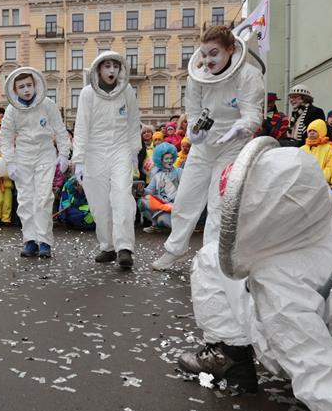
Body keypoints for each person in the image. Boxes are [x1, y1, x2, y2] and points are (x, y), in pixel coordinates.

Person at [180, 142, 332, 411]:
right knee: (215, 258)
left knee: (208, 261)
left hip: (324, 351)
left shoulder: (277, 280)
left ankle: (228, 356)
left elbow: (316, 358)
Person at [152, 26, 264, 270]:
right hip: (204, 147)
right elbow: (193, 111)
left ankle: (210, 260)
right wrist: (195, 131)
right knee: (185, 199)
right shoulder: (198, 75)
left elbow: (254, 114)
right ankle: (175, 249)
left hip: (233, 146)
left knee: (218, 204)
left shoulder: (248, 75)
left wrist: (241, 127)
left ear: (230, 49)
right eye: (203, 54)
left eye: (214, 53)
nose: (207, 60)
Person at [72, 51, 142, 269]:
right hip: (94, 152)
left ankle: (125, 248)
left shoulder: (127, 91)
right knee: (99, 203)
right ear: (98, 70)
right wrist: (80, 159)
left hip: (120, 149)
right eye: (107, 66)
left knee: (122, 195)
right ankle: (108, 246)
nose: (111, 71)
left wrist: (133, 152)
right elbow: (81, 126)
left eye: (115, 66)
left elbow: (133, 122)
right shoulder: (87, 94)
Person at [0, 67, 70, 257]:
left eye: (29, 85)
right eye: (21, 87)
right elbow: (5, 137)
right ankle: (29, 240)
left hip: (45, 153)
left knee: (43, 198)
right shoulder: (12, 109)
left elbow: (60, 130)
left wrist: (64, 154)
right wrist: (10, 162)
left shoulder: (47, 104)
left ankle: (44, 242)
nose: (26, 90)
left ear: (35, 84)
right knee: (25, 200)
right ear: (15, 90)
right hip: (23, 156)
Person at [138, 142, 182, 231]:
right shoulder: (157, 175)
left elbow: (186, 189)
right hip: (162, 205)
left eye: (171, 158)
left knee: (163, 221)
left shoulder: (179, 171)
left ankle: (178, 224)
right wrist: (141, 190)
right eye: (166, 159)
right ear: (160, 160)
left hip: (176, 206)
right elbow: (150, 191)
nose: (169, 161)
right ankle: (155, 224)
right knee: (142, 201)